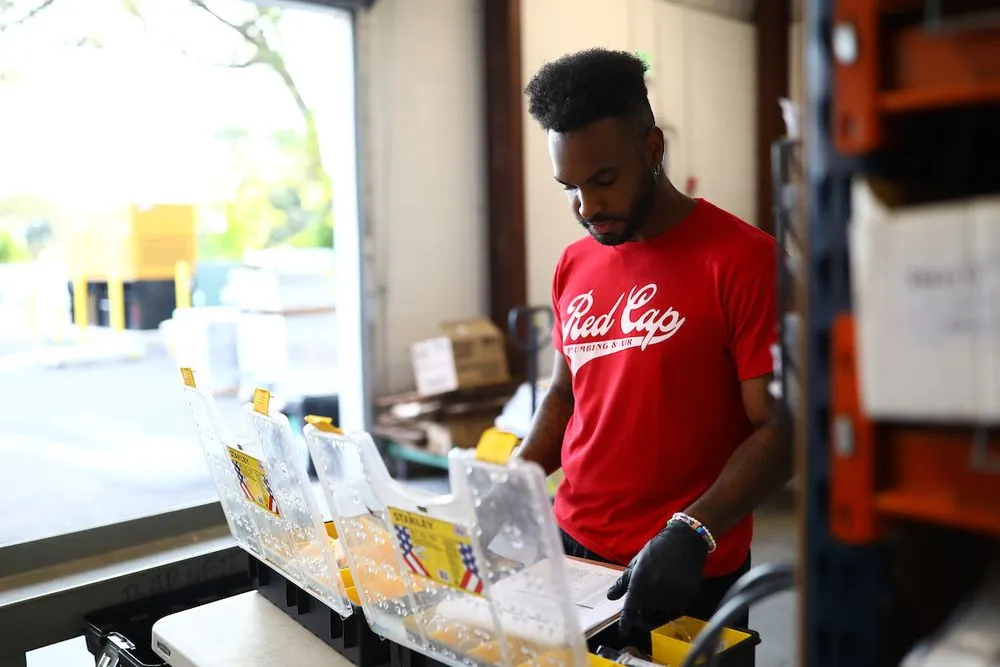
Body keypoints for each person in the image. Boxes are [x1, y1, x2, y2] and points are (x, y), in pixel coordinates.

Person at [516, 47, 792, 649]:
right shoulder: (574, 263)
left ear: (652, 148)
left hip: (682, 562)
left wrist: (694, 531)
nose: (587, 208)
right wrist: (512, 480)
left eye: (604, 180)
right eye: (570, 187)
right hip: (572, 547)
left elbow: (784, 428)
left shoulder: (746, 261)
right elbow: (567, 392)